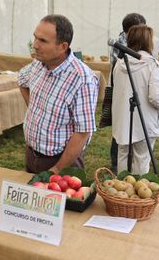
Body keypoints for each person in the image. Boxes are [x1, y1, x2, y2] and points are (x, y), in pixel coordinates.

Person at [18, 14, 99, 174]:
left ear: (62, 46)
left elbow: (82, 132)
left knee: (61, 199)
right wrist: (35, 109)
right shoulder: (38, 64)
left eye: (43, 41)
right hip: (32, 155)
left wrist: (57, 169)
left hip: (62, 162)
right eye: (35, 38)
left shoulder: (82, 79)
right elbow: (21, 81)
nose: (35, 45)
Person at [112, 25, 159, 175]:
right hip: (145, 119)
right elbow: (156, 96)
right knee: (142, 157)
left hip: (123, 118)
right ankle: (138, 193)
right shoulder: (151, 64)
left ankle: (122, 190)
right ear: (148, 41)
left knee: (123, 154)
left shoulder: (119, 64)